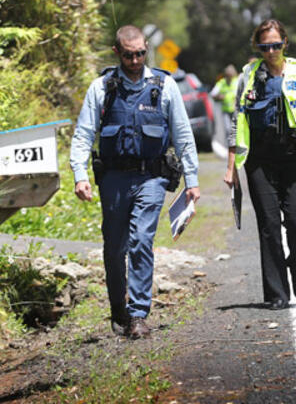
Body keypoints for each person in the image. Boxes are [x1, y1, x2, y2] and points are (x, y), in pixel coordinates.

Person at [70, 25, 201, 339]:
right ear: (117, 52)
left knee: (142, 239)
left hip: (152, 176)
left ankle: (139, 313)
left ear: (146, 50)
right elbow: (84, 134)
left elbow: (183, 135)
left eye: (141, 53)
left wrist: (192, 180)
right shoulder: (101, 88)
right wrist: (80, 175)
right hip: (114, 178)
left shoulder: (164, 86)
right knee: (115, 247)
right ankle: (119, 307)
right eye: (128, 55)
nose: (135, 59)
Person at [223, 19, 296, 310]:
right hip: (260, 160)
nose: (271, 51)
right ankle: (277, 293)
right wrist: (231, 168)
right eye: (265, 47)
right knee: (269, 225)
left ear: (285, 43)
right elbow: (237, 121)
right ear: (258, 47)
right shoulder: (248, 76)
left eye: (276, 45)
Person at [210, 64, 238, 142]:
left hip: (236, 110)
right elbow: (213, 94)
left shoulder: (237, 81)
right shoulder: (221, 83)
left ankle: (237, 145)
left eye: (231, 76)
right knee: (228, 129)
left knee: (237, 129)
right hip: (225, 110)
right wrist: (219, 96)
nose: (230, 78)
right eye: (228, 76)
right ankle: (229, 146)